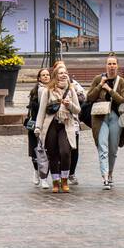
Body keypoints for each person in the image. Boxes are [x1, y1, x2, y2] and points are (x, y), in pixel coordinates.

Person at [34, 64, 79, 193]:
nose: (64, 75)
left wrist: (69, 104)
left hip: (66, 124)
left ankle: (64, 179)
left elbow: (77, 109)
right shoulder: (47, 91)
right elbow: (42, 111)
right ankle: (55, 181)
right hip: (51, 125)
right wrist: (38, 127)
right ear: (55, 76)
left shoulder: (71, 90)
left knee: (65, 152)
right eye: (60, 73)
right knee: (53, 154)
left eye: (65, 72)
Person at [86, 56, 124, 189]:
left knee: (113, 149)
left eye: (114, 64)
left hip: (115, 117)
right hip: (100, 117)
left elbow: (123, 100)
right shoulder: (98, 79)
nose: (111, 66)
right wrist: (100, 85)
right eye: (109, 64)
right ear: (106, 66)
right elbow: (89, 97)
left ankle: (110, 173)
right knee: (102, 147)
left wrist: (109, 90)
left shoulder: (121, 82)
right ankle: (104, 177)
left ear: (117, 65)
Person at [26, 67, 51, 188]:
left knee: (47, 152)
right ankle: (36, 172)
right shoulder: (35, 91)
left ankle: (44, 177)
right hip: (35, 124)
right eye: (43, 75)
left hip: (48, 124)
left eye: (47, 75)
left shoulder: (53, 89)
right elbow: (32, 108)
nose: (46, 77)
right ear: (39, 78)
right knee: (36, 151)